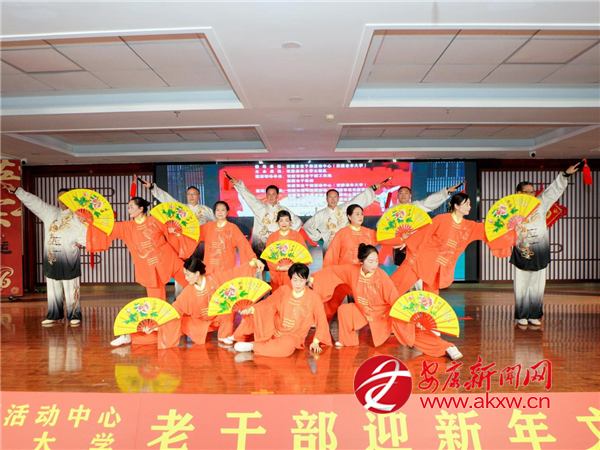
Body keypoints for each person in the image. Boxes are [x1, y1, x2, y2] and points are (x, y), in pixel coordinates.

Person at [311, 244, 462, 360]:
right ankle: (347, 341)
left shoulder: (381, 276)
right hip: (364, 311)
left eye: (376, 261)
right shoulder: (352, 271)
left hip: (385, 313)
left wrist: (412, 318)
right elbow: (333, 271)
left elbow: (394, 299)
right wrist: (314, 278)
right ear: (361, 261)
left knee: (410, 332)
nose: (374, 264)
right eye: (370, 261)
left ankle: (447, 347)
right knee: (345, 310)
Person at [86, 197, 195, 346]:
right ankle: (150, 332)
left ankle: (204, 312)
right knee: (156, 305)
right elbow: (107, 228)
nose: (129, 210)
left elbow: (173, 233)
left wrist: (175, 231)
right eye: (128, 207)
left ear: (141, 208)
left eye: (131, 207)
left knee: (195, 285)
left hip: (168, 260)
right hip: (148, 268)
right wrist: (90, 222)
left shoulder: (155, 221)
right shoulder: (126, 226)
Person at [390, 193, 515, 296]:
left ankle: (427, 316)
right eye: (467, 204)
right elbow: (424, 232)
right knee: (397, 285)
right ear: (456, 206)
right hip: (424, 259)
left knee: (431, 295)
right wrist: (407, 241)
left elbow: (488, 229)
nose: (469, 207)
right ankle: (382, 309)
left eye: (470, 204)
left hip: (440, 264)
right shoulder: (441, 219)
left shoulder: (468, 226)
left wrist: (510, 227)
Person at [2, 183, 86, 326]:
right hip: (51, 256)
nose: (62, 200)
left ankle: (74, 315)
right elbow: (35, 202)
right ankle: (54, 314)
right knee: (53, 288)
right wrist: (16, 191)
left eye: (66, 196)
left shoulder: (78, 216)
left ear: (72, 198)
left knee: (71, 286)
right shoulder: (50, 212)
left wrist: (82, 243)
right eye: (60, 197)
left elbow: (87, 232)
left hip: (69, 256)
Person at [511, 163, 580, 326]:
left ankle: (534, 314)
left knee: (537, 285)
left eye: (532, 191)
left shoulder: (540, 203)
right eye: (527, 191)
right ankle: (522, 315)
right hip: (522, 250)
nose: (531, 194)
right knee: (521, 285)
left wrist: (565, 174)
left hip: (540, 250)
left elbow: (553, 191)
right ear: (519, 193)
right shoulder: (511, 208)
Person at [158, 257, 265, 349]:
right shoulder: (187, 292)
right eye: (185, 275)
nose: (186, 278)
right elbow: (175, 309)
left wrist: (253, 263)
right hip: (200, 323)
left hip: (218, 318)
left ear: (197, 273)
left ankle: (224, 335)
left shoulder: (214, 279)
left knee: (228, 306)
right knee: (181, 321)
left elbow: (233, 273)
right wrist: (159, 321)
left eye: (188, 275)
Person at [233, 263, 331, 357]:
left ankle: (253, 346)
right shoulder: (283, 290)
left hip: (294, 336)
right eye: (295, 280)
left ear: (306, 279)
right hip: (276, 329)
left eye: (301, 281)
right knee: (254, 313)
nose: (298, 284)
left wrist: (316, 342)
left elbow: (321, 320)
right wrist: (251, 309)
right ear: (290, 279)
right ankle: (247, 339)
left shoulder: (313, 297)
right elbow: (268, 304)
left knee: (286, 348)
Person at [139, 178, 215, 298]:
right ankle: (180, 297)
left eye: (194, 194)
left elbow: (216, 224)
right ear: (186, 196)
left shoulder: (206, 210)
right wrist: (153, 188)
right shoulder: (181, 208)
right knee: (182, 270)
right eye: (189, 194)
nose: (192, 196)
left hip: (200, 246)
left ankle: (202, 296)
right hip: (182, 245)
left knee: (200, 269)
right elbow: (167, 199)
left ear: (199, 196)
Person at [321, 204, 399, 320]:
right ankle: (322, 324)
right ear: (349, 216)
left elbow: (384, 237)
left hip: (362, 275)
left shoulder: (368, 233)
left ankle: (360, 323)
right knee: (332, 304)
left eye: (362, 214)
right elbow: (332, 253)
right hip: (345, 275)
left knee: (361, 304)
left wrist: (401, 239)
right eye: (357, 214)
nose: (360, 216)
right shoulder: (342, 233)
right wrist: (327, 273)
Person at [380, 183, 462, 268]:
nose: (403, 195)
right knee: (402, 270)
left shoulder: (416, 206)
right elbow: (382, 226)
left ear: (410, 195)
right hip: (400, 244)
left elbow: (430, 201)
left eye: (406, 193)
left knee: (418, 269)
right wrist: (398, 237)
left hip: (416, 243)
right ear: (397, 195)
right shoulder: (391, 211)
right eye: (401, 193)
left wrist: (446, 191)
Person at [228, 175, 302, 253]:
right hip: (261, 245)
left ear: (277, 195)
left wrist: (287, 235)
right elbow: (249, 197)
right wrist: (238, 184)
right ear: (266, 196)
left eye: (273, 194)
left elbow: (297, 222)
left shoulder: (283, 210)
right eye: (269, 194)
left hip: (278, 245)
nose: (271, 196)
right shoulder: (260, 207)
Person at [303, 183, 384, 253]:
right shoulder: (321, 214)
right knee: (330, 265)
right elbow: (307, 226)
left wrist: (373, 188)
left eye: (335, 197)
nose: (333, 199)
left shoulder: (344, 208)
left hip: (345, 245)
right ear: (326, 199)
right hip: (329, 246)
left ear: (338, 198)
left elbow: (357, 200)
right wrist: (319, 237)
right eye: (330, 197)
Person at [199, 201, 255, 274]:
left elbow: (244, 244)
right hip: (209, 266)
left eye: (223, 210)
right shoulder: (208, 227)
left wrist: (252, 258)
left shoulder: (232, 228)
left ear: (227, 212)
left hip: (226, 268)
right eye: (217, 210)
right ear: (214, 212)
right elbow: (194, 234)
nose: (220, 212)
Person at [264, 210, 308, 292]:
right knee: (278, 294)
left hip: (293, 271)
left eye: (286, 220)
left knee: (292, 293)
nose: (284, 223)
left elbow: (303, 254)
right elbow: (269, 257)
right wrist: (279, 267)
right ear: (277, 222)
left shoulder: (297, 236)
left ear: (290, 222)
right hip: (278, 272)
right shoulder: (272, 237)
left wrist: (293, 267)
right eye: (281, 220)